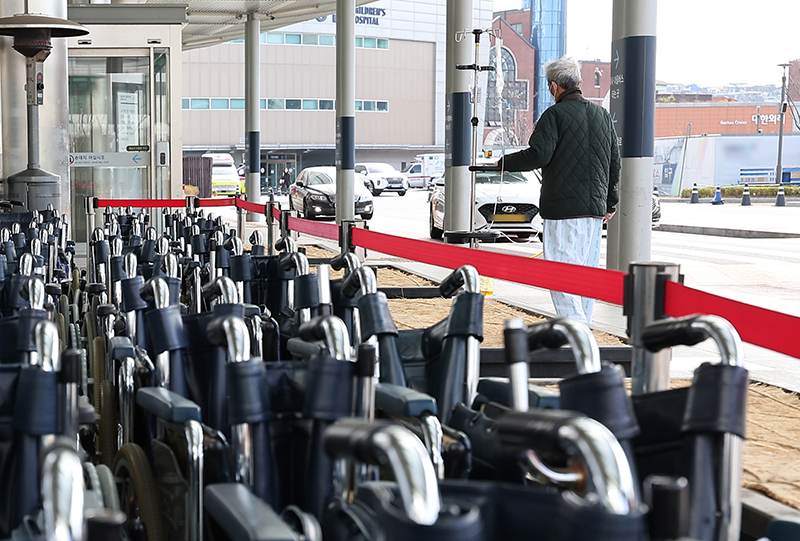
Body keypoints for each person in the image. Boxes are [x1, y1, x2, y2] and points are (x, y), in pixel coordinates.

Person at [497, 56, 620, 324]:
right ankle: (582, 327)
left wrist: (504, 163)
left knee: (561, 272)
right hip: (594, 212)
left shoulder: (554, 115)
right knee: (586, 274)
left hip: (564, 210)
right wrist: (610, 203)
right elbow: (614, 162)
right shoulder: (602, 115)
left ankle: (575, 331)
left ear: (554, 86)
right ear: (578, 82)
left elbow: (539, 154)